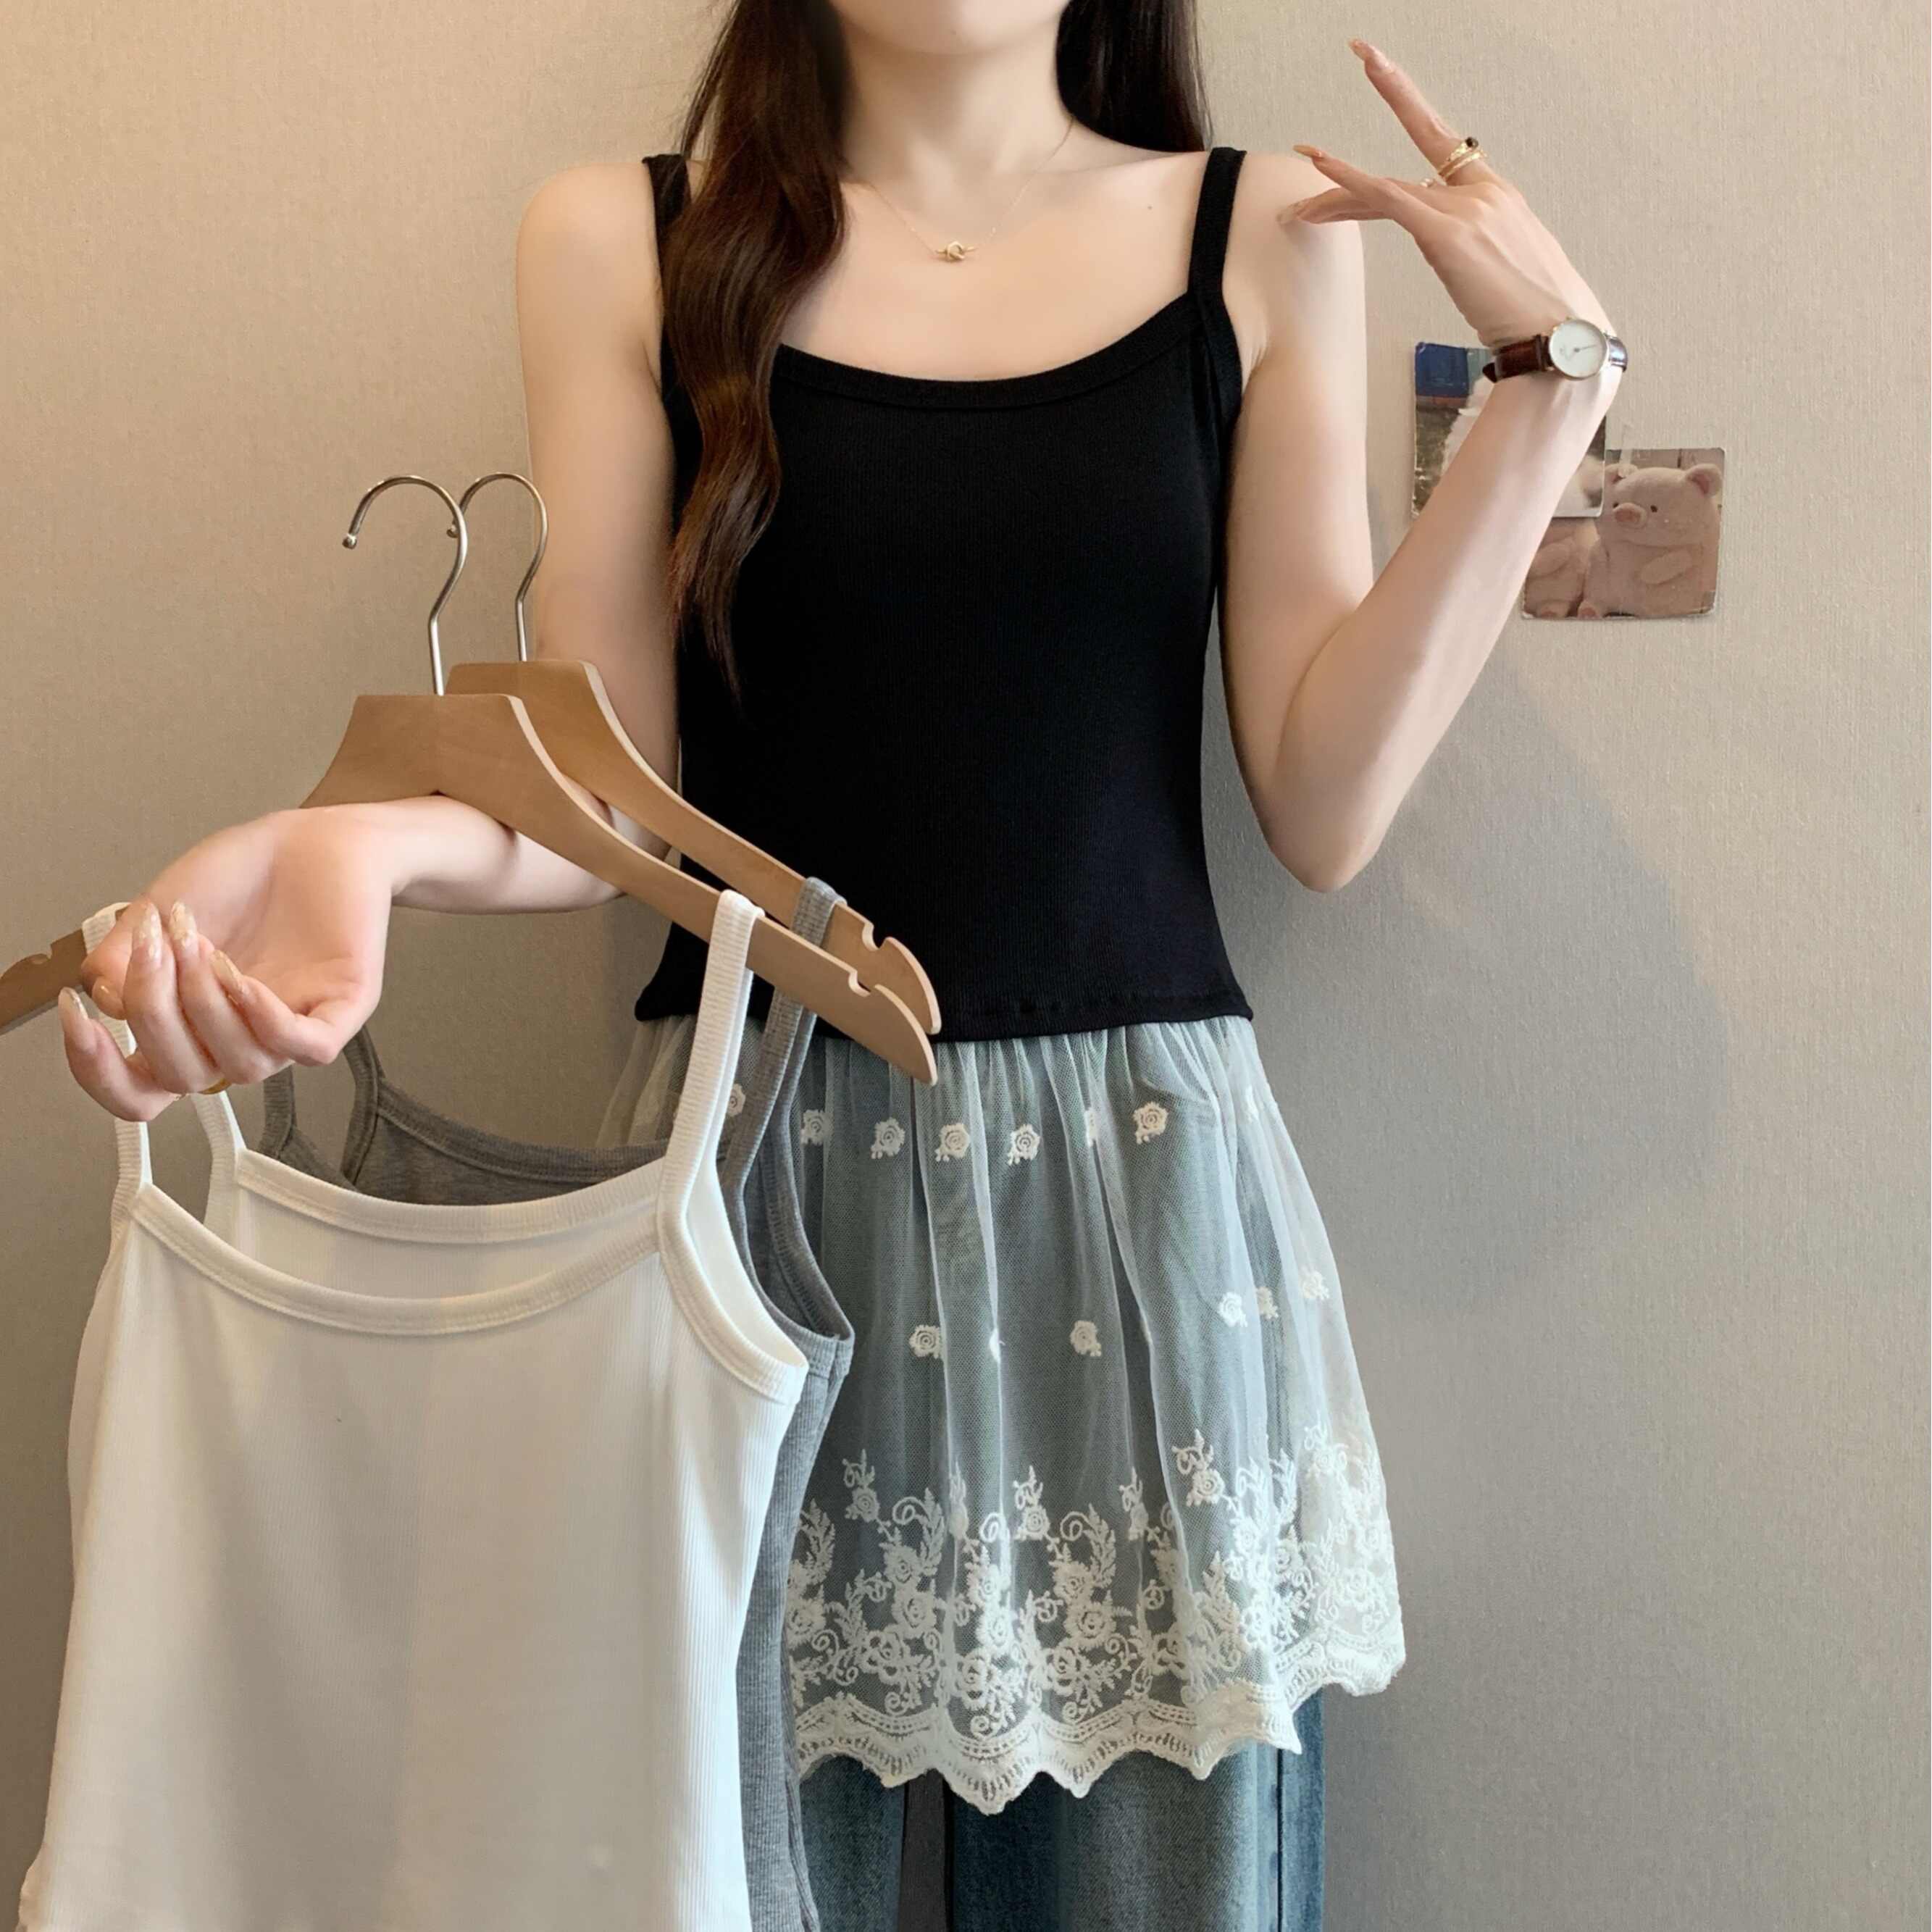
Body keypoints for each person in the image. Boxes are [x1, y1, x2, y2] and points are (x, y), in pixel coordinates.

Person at [59, 9, 1622, 1928]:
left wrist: (1548, 387)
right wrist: (351, 850)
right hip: (741, 1219)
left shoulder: (1268, 227)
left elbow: (1323, 798)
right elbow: (607, 791)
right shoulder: (620, 242)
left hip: (1135, 1241)